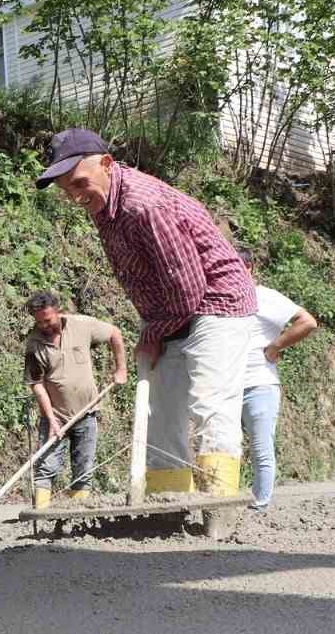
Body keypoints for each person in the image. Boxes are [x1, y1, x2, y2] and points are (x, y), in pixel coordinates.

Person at [37, 128, 256, 499]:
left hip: (217, 302)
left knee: (209, 401)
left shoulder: (143, 204)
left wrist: (152, 335)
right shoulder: (104, 206)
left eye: (79, 183)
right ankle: (168, 504)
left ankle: (219, 508)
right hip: (169, 311)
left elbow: (188, 287)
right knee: (160, 410)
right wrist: (153, 330)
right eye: (65, 190)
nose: (74, 196)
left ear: (107, 164)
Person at [23, 290, 127, 508]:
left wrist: (121, 370)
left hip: (86, 412)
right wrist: (51, 419)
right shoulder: (34, 345)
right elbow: (37, 385)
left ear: (58, 312)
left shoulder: (82, 325)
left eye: (48, 320)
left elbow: (114, 334)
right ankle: (40, 515)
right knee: (45, 466)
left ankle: (77, 518)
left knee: (84, 468)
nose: (44, 326)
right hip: (55, 417)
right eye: (39, 322)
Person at [241, 284, 319, 510]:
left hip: (259, 383)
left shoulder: (263, 296)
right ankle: (224, 502)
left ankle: (260, 502)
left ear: (248, 267)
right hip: (226, 385)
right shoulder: (219, 294)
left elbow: (307, 321)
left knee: (260, 446)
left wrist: (275, 347)